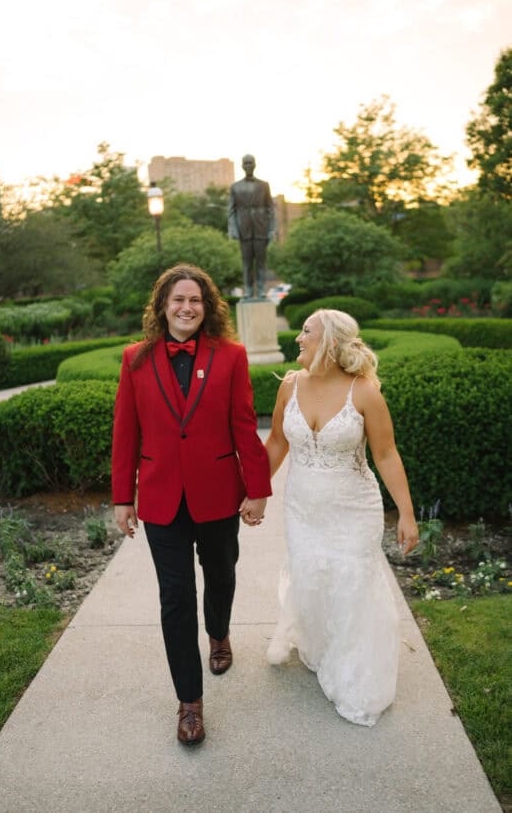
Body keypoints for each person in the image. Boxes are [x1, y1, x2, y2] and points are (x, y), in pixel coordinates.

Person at [112, 264, 272, 746]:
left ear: (208, 308)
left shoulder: (231, 356)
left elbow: (245, 424)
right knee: (175, 597)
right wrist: (123, 496)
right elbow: (126, 432)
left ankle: (219, 633)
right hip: (162, 499)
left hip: (219, 492)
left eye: (195, 300)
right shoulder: (135, 359)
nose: (186, 307)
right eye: (178, 299)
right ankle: (189, 704)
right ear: (162, 306)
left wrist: (258, 487)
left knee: (221, 573)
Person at [265, 309, 419, 727]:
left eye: (306, 332)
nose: (298, 338)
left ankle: (356, 677)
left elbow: (386, 454)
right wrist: (254, 492)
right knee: (312, 578)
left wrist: (405, 512)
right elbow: (277, 442)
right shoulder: (290, 387)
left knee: (352, 586)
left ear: (330, 343)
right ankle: (321, 646)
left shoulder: (364, 392)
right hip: (301, 508)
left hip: (353, 509)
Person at [228, 154, 275, 299]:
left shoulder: (264, 185)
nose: (248, 165)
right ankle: (248, 290)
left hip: (261, 228)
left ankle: (261, 290)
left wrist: (272, 229)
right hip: (244, 229)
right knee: (247, 263)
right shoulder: (235, 187)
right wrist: (233, 229)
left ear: (255, 165)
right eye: (246, 163)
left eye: (251, 163)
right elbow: (231, 210)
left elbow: (270, 209)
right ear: (242, 166)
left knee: (261, 262)